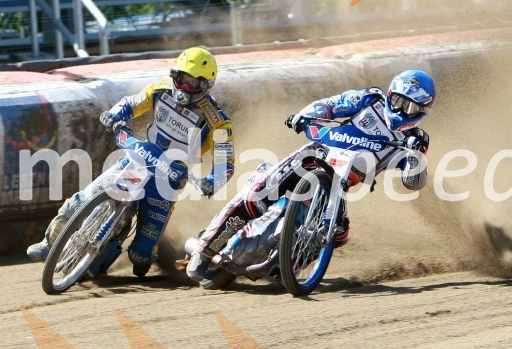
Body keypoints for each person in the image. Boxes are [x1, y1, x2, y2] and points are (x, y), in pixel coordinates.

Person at [186, 69, 435, 281]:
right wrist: (305, 115)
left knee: (340, 232)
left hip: (339, 185)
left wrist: (415, 156)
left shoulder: (414, 139)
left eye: (410, 107)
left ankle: (290, 264)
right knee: (259, 193)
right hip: (316, 155)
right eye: (398, 100)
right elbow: (333, 104)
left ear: (422, 111)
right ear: (390, 93)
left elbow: (414, 182)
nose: (401, 109)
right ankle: (205, 249)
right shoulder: (371, 99)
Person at [27, 47, 235, 277]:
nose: (185, 87)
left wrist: (212, 181)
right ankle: (49, 244)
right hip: (139, 158)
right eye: (182, 78)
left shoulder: (218, 121)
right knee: (82, 199)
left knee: (141, 257)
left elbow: (226, 162)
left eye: (194, 83)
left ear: (207, 86)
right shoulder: (160, 89)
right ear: (174, 75)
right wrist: (115, 115)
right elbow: (131, 103)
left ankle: (140, 251)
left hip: (168, 181)